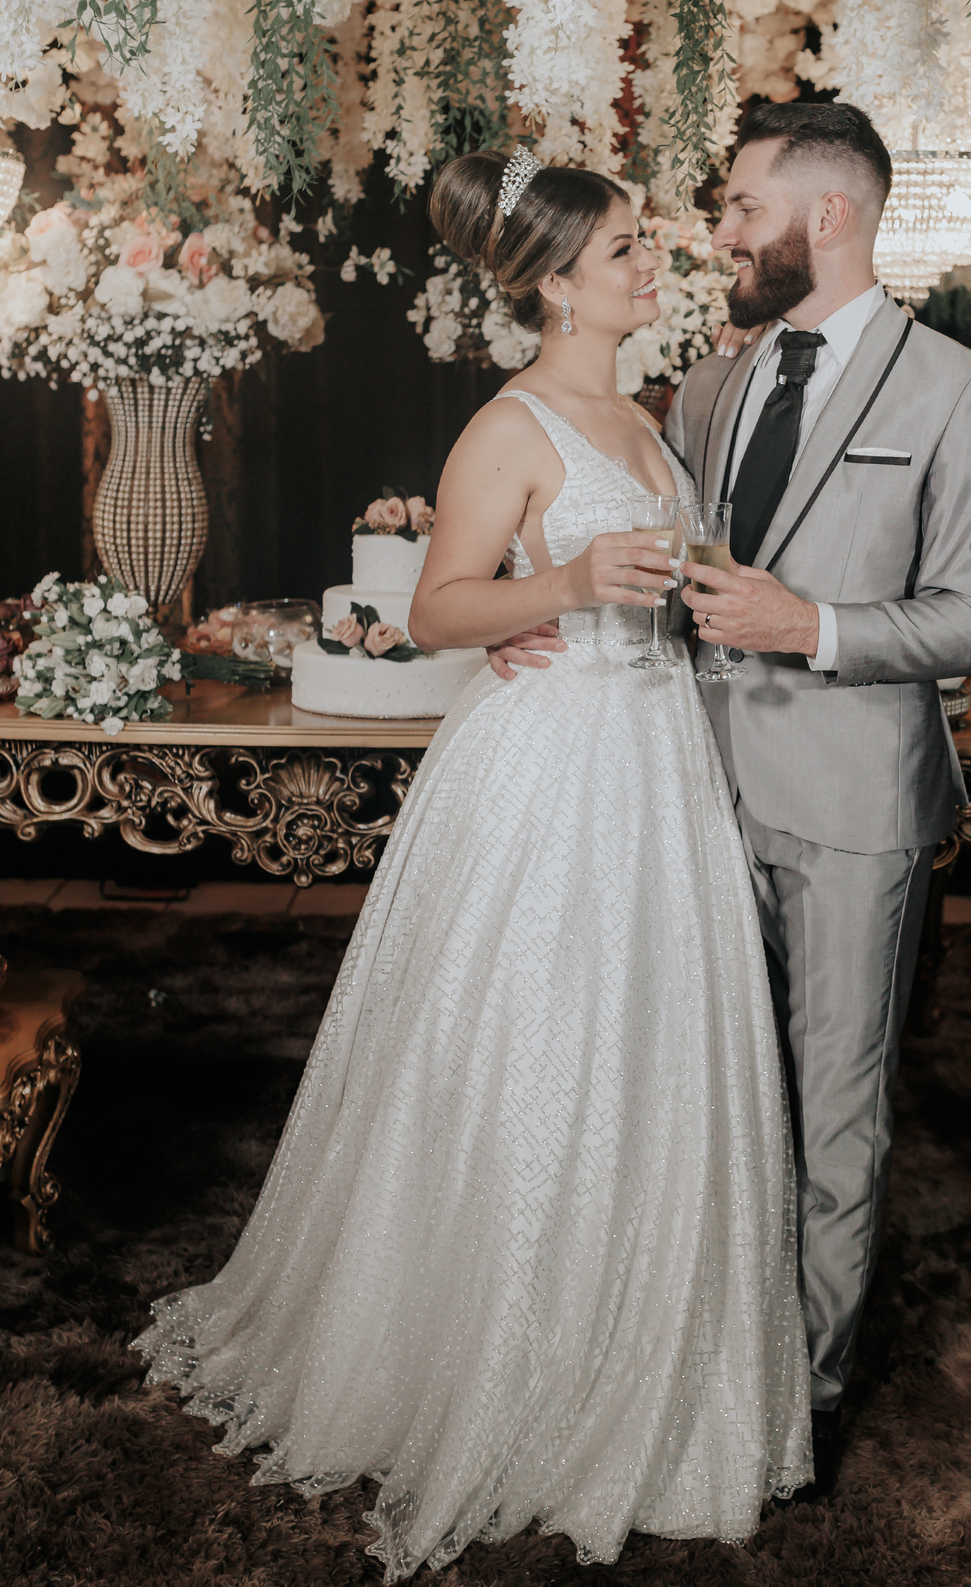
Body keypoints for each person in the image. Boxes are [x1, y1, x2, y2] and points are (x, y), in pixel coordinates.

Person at [134, 149, 812, 1583]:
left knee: (654, 1047)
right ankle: (499, 1356)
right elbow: (438, 609)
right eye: (624, 249)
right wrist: (556, 586)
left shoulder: (645, 418)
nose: (652, 262)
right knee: (534, 1043)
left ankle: (637, 1352)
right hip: (552, 764)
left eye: (644, 243)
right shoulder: (509, 427)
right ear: (556, 285)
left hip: (658, 758)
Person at [663, 100, 971, 1493]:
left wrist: (809, 626)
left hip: (855, 808)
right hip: (692, 791)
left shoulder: (955, 385)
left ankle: (797, 1405)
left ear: (829, 215)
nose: (721, 233)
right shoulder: (709, 385)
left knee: (836, 1110)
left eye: (741, 208)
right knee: (709, 1090)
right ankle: (698, 1344)